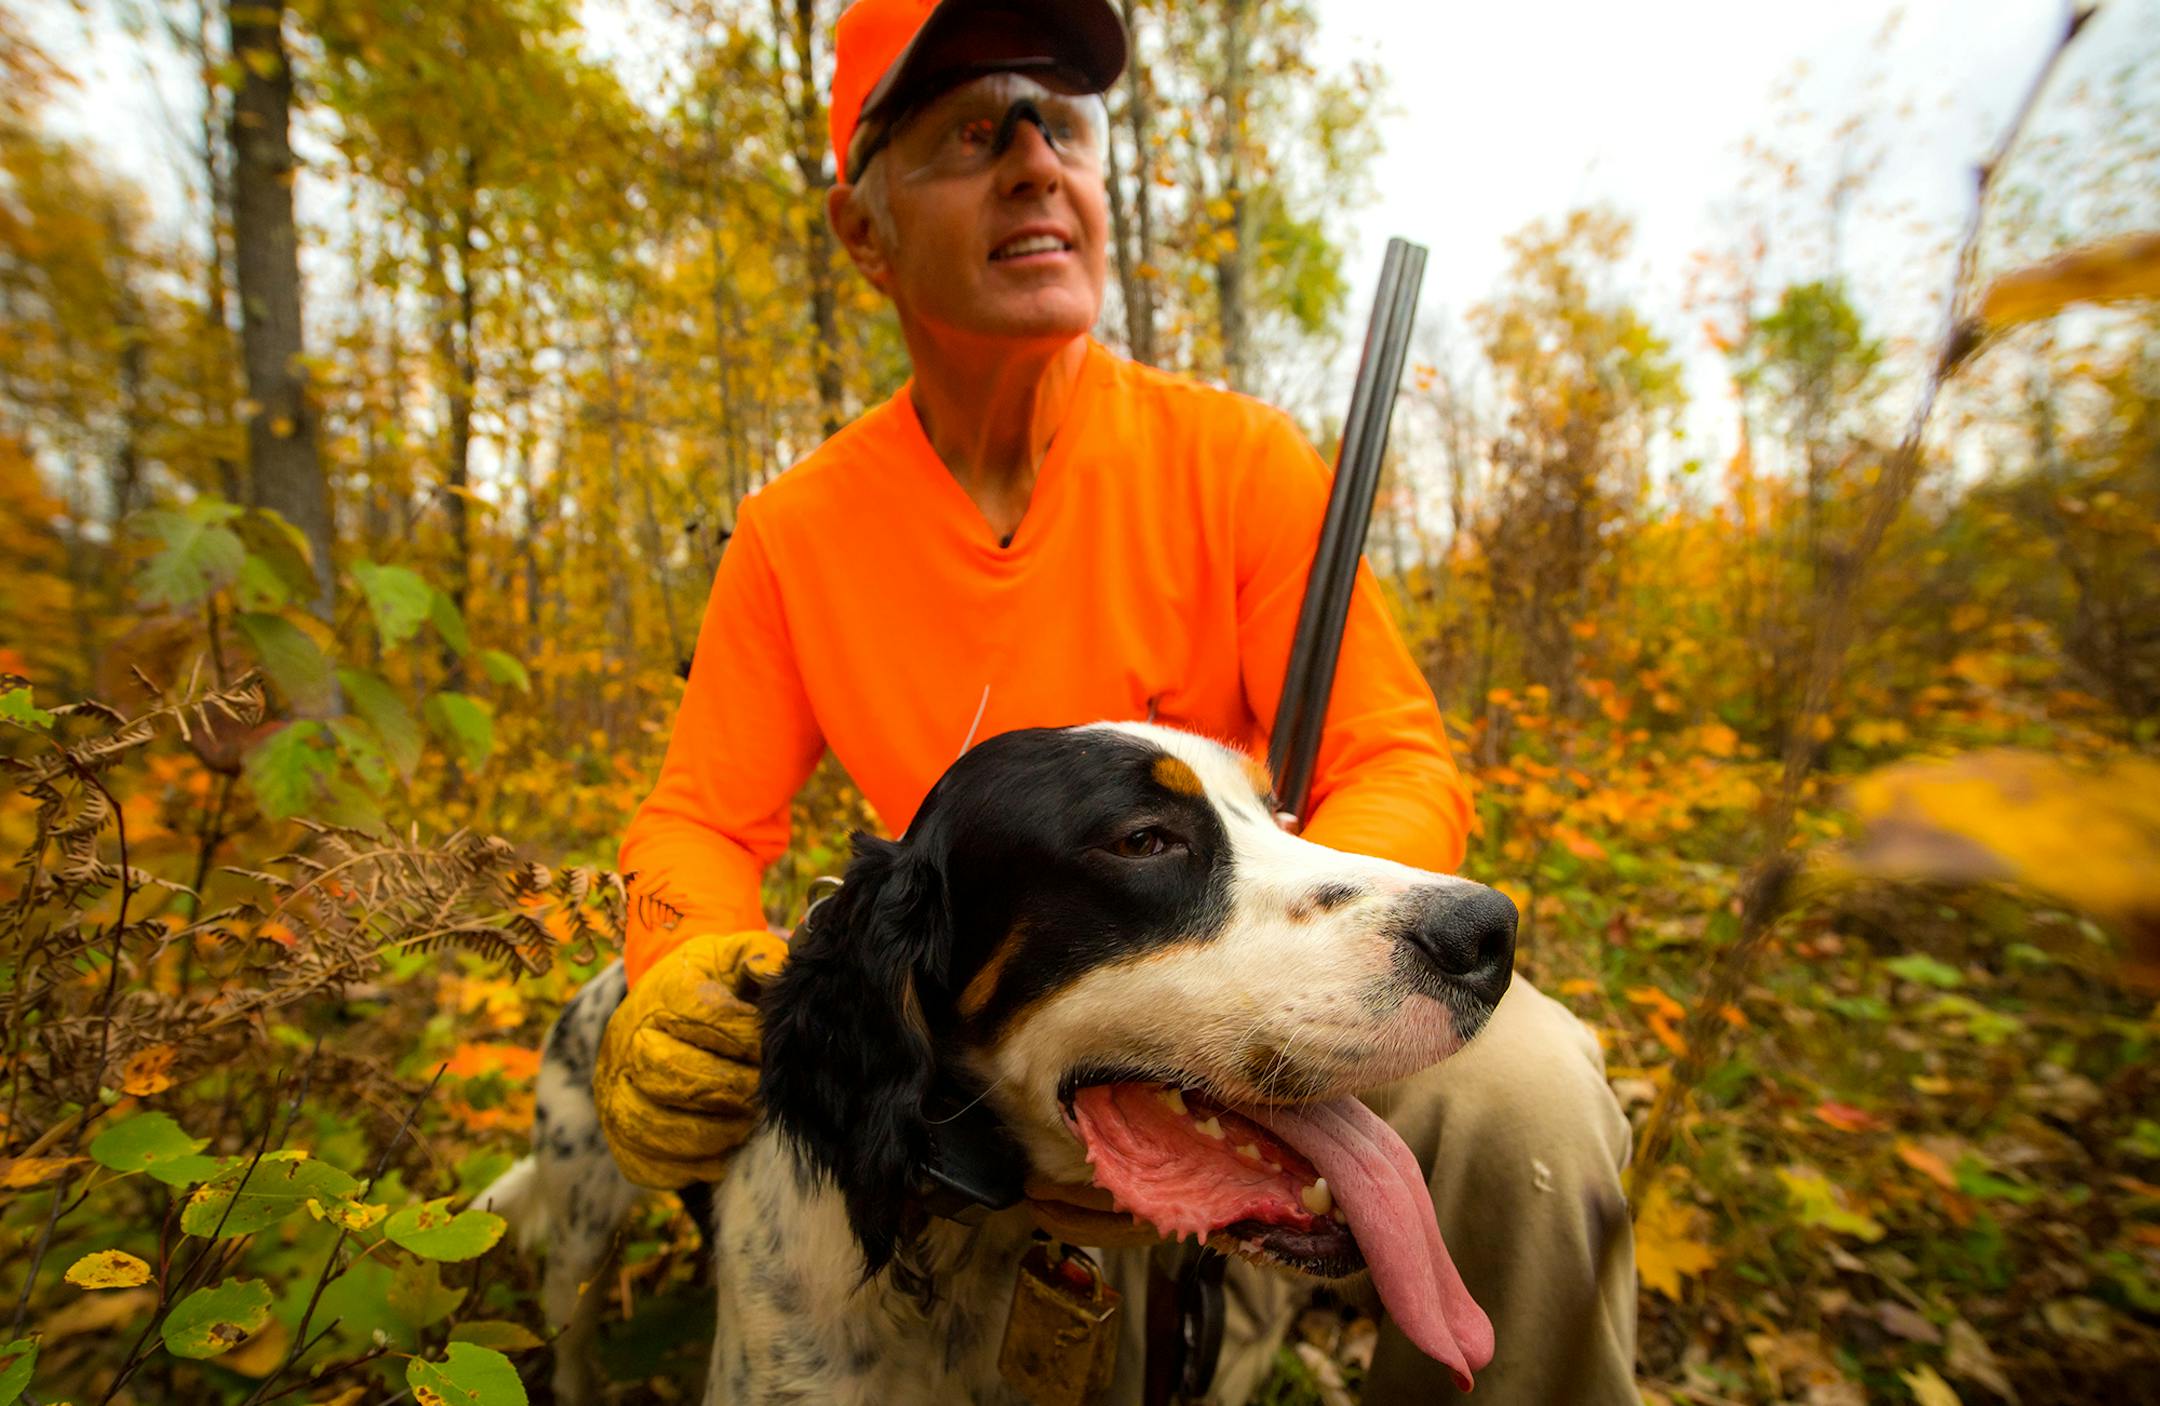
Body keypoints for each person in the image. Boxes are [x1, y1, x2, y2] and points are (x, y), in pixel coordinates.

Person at [592, 0, 1636, 1400]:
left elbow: (1394, 755)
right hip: (977, 1074)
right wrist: (678, 965)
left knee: (1538, 1096)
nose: (1037, 161)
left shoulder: (1238, 464)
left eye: (1064, 124)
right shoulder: (795, 534)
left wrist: (1316, 974)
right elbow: (701, 820)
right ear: (864, 228)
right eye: (974, 131)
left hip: (1256, 1008)